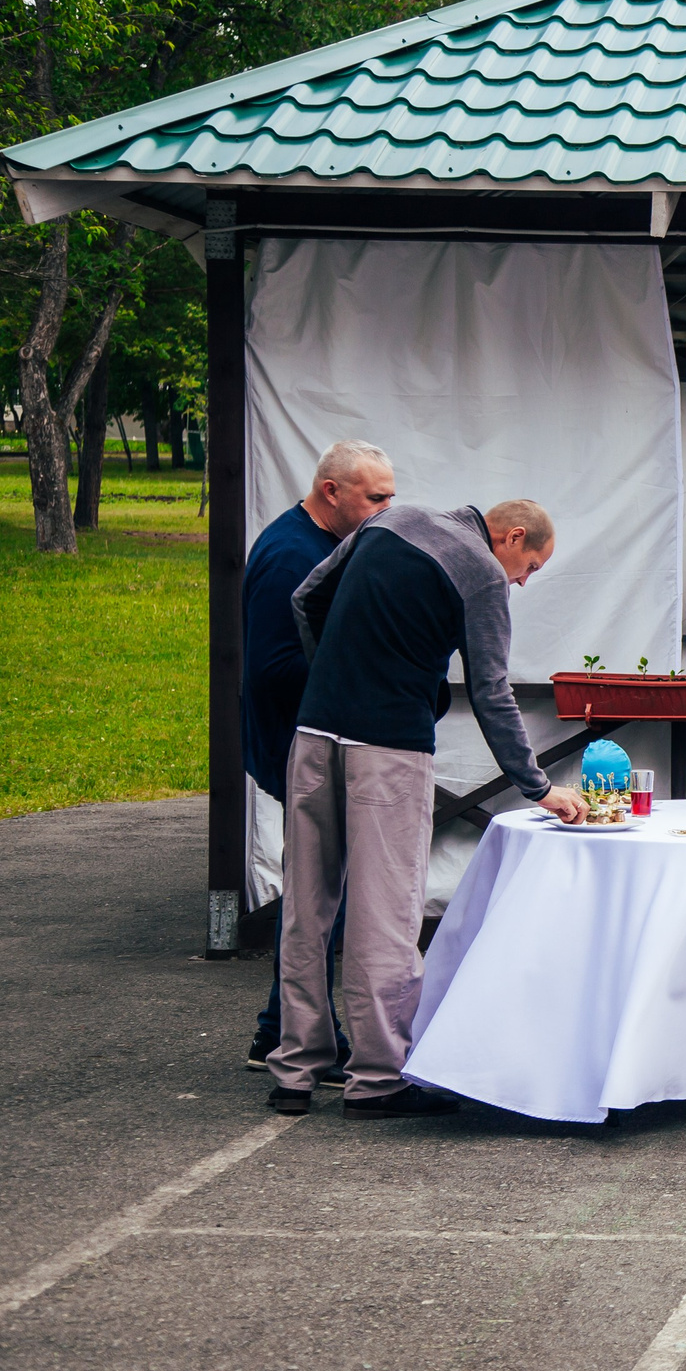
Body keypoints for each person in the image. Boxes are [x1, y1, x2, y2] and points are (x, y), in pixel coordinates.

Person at [270, 499, 587, 1119]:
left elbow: (306, 597)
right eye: (530, 565)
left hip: (314, 734)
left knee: (305, 908)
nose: (521, 580)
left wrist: (332, 672)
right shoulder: (481, 573)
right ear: (512, 535)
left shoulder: (392, 520)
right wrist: (538, 787)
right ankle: (378, 1078)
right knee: (385, 916)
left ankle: (295, 1070)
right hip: (388, 748)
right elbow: (493, 693)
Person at [240, 441, 396, 1078]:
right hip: (297, 742)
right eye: (376, 497)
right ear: (332, 492)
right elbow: (276, 668)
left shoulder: (323, 543)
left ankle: (281, 1029)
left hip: (314, 739)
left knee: (323, 888)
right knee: (322, 891)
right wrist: (368, 675)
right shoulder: (288, 556)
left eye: (391, 494)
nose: (389, 508)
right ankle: (287, 1032)